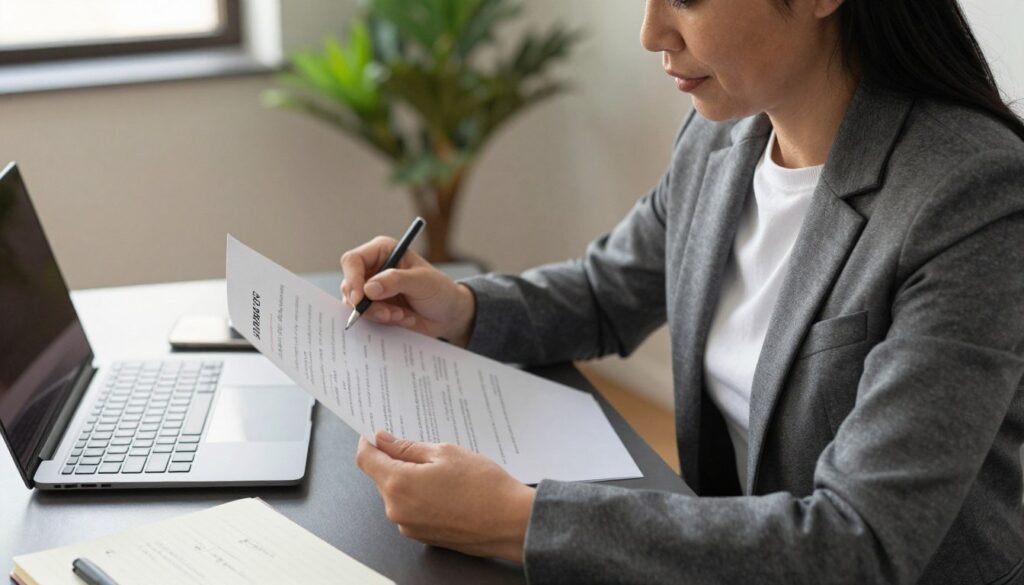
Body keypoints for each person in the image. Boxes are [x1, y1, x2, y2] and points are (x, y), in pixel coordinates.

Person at [340, 0, 1024, 582]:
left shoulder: (971, 196)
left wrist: (520, 519)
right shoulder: (721, 137)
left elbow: (859, 540)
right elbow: (610, 290)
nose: (650, 33)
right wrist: (461, 307)